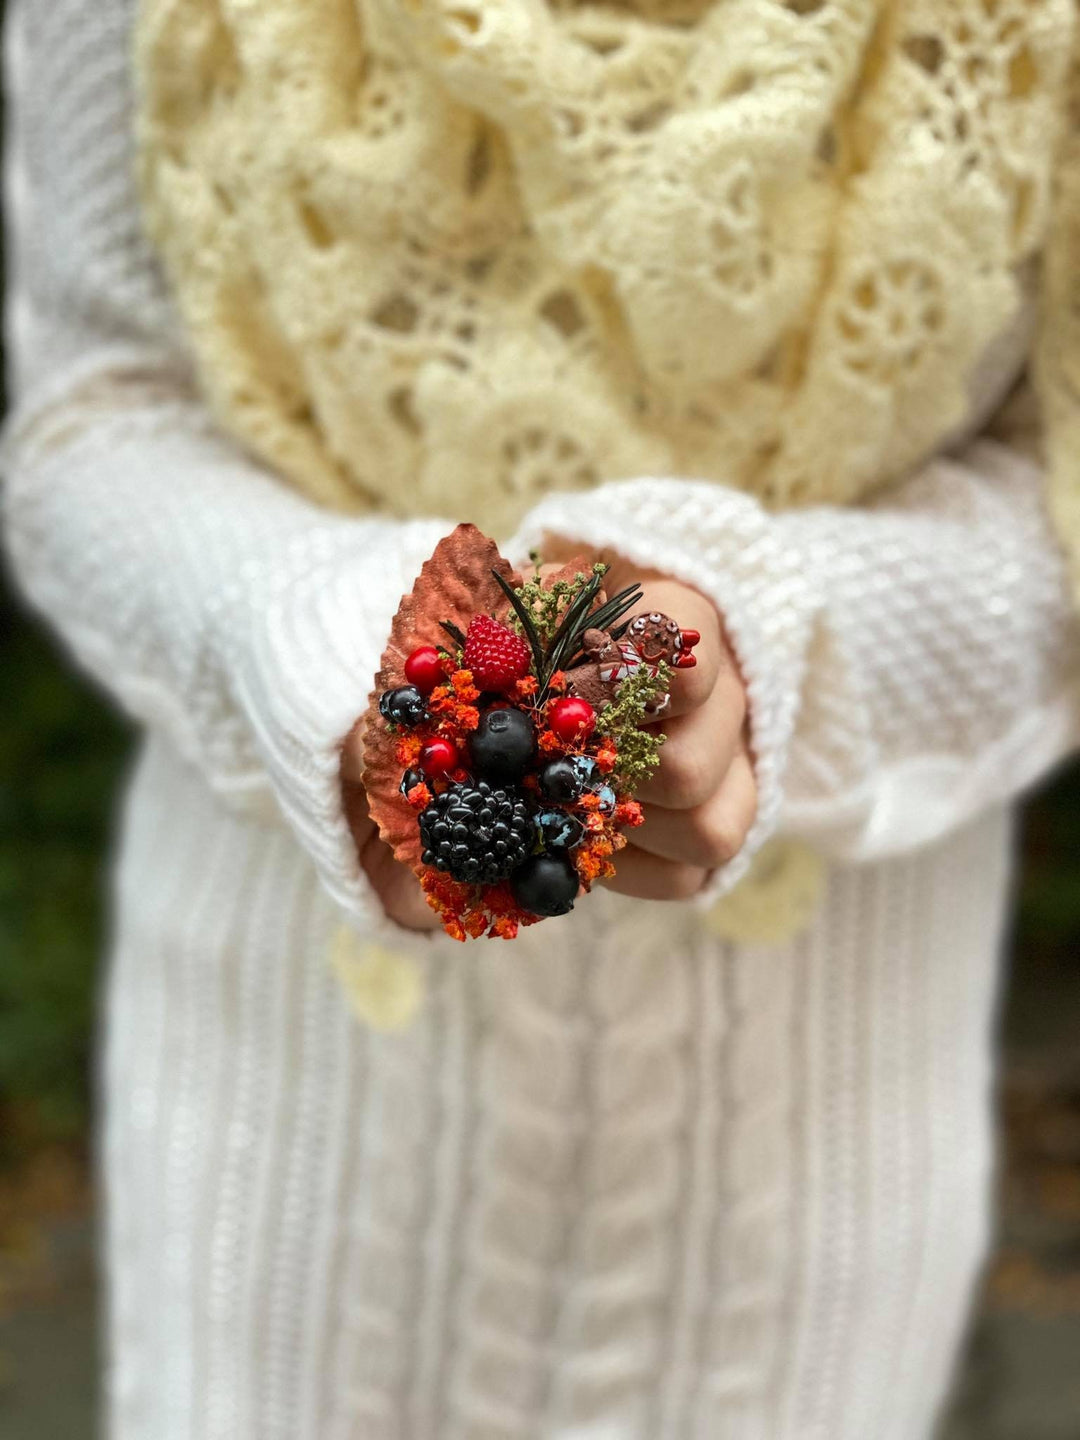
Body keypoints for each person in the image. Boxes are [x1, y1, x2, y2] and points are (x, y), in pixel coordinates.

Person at [4, 1, 1080, 1436]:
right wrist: (323, 632)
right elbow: (94, 419)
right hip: (277, 1119)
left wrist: (780, 635)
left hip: (807, 1171)